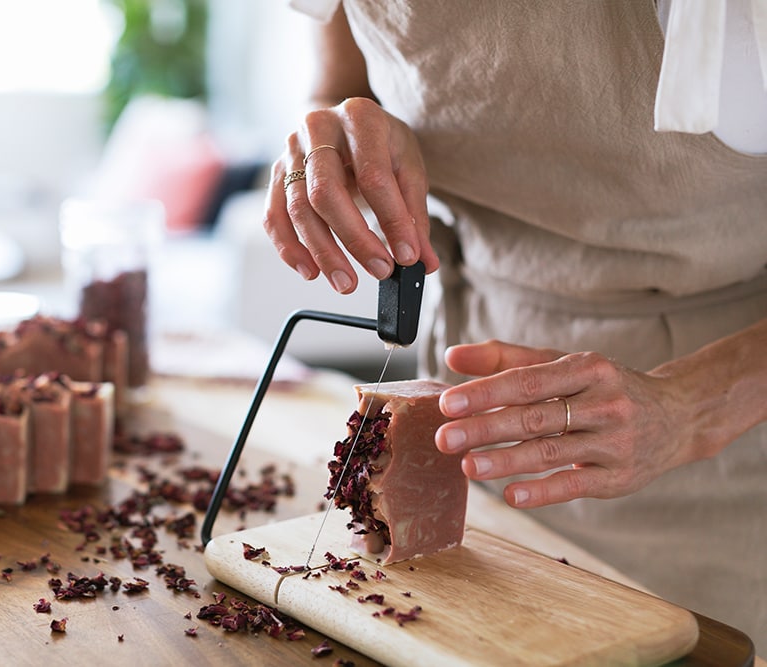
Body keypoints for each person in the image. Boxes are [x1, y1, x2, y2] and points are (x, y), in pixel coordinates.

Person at [263, 0, 767, 650]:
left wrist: (692, 408)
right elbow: (343, 82)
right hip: (470, 381)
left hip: (725, 421)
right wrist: (342, 135)